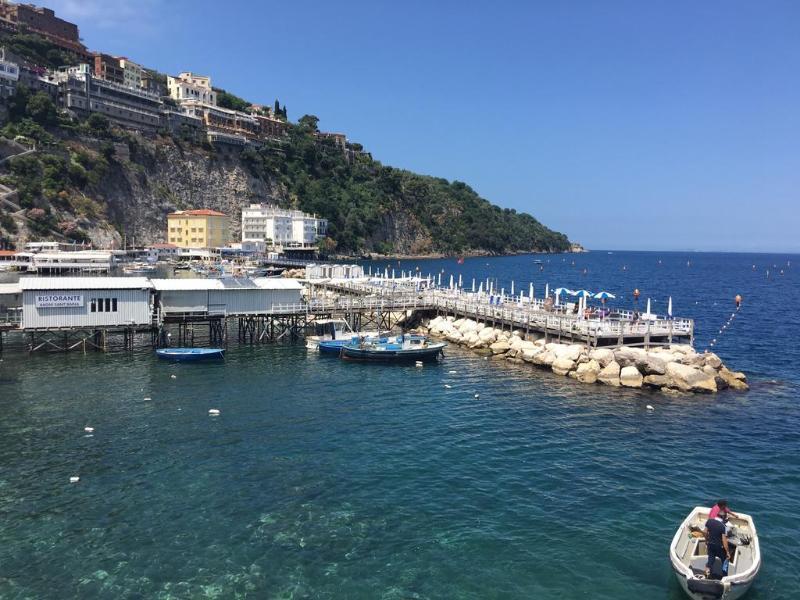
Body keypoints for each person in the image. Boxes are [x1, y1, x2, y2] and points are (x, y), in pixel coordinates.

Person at [704, 514, 731, 578]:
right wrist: (727, 552)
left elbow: (705, 532)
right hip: (719, 547)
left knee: (710, 560)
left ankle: (707, 574)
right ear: (723, 518)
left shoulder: (709, 521)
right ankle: (724, 577)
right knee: (725, 560)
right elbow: (724, 541)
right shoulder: (722, 526)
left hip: (710, 545)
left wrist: (706, 541)